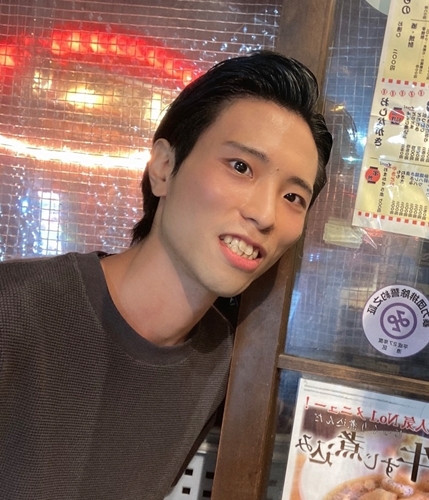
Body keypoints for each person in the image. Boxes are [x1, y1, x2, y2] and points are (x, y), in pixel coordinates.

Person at [0, 50, 332, 499]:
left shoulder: (222, 362)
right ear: (163, 167)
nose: (265, 214)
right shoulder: (14, 309)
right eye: (240, 167)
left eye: (293, 197)